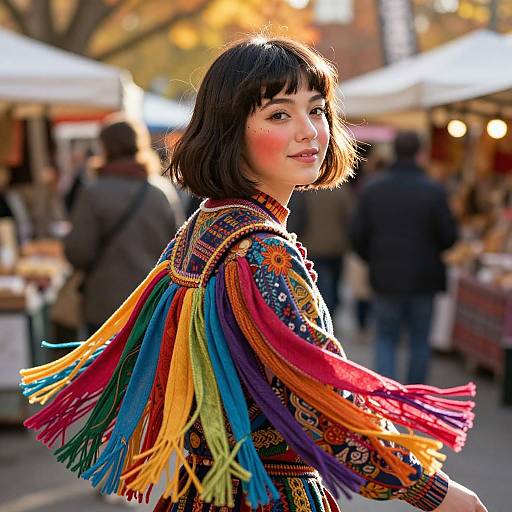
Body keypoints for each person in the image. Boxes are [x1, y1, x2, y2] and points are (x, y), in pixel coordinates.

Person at [21, 38, 485, 512]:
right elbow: (324, 407)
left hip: (202, 490)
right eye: (279, 115)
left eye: (318, 109)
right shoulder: (261, 251)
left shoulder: (207, 224)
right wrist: (436, 492)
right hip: (265, 494)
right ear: (230, 132)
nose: (310, 131)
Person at [350, 131, 458, 385]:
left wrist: (373, 258)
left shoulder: (374, 188)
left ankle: (389, 396)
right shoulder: (433, 190)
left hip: (385, 275)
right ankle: (414, 396)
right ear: (420, 154)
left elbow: (356, 235)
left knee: (385, 338)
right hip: (424, 277)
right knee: (419, 340)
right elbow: (449, 236)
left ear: (393, 152)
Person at [63, 114, 182, 334]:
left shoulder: (94, 193)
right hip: (152, 304)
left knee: (106, 368)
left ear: (105, 147)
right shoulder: (162, 192)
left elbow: (78, 253)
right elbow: (179, 251)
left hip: (105, 307)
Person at [288, 187, 353, 314]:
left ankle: (320, 313)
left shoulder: (304, 192)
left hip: (311, 246)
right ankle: (331, 312)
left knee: (317, 285)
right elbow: (349, 218)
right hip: (336, 247)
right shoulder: (341, 191)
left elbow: (296, 219)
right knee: (334, 283)